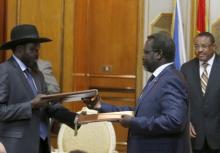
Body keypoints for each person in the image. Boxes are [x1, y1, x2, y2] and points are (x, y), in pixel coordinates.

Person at [83, 32, 191, 153]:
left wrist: (134, 123)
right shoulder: (159, 78)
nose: (142, 56)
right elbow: (139, 112)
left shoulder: (171, 79)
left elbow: (174, 121)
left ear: (159, 54)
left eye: (146, 52)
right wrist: (100, 106)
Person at [0, 24, 78, 153]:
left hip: (42, 143)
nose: (37, 54)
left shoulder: (38, 74)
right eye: (33, 50)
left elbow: (47, 105)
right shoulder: (4, 71)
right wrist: (30, 105)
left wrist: (74, 118)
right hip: (17, 146)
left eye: (38, 49)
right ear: (19, 50)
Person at [181, 32, 220, 153]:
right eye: (196, 46)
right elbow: (181, 100)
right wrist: (186, 122)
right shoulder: (186, 68)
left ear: (214, 47)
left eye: (204, 46)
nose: (199, 50)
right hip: (194, 137)